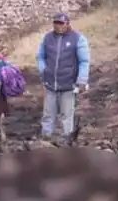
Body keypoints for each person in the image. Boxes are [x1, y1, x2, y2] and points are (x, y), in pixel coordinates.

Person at [36, 12, 90, 144]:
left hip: (68, 84)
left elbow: (84, 61)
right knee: (48, 114)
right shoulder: (47, 38)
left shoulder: (78, 38)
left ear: (67, 24)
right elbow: (40, 56)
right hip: (50, 84)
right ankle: (46, 139)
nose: (58, 25)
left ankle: (67, 140)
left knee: (67, 115)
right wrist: (43, 70)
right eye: (56, 23)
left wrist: (82, 80)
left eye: (61, 23)